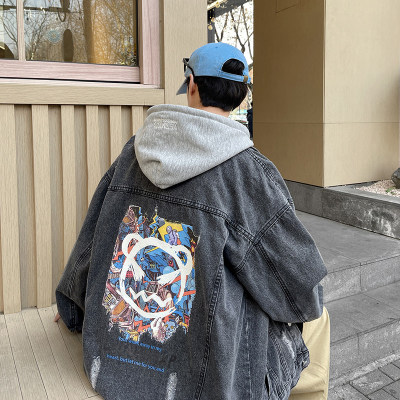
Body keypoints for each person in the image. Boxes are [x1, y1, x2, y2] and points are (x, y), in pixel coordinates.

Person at [55, 42, 328, 400]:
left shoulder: (133, 152)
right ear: (242, 96)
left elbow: (93, 238)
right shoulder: (248, 173)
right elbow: (299, 286)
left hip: (111, 367)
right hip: (209, 384)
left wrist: (72, 303)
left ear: (193, 85)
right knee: (318, 319)